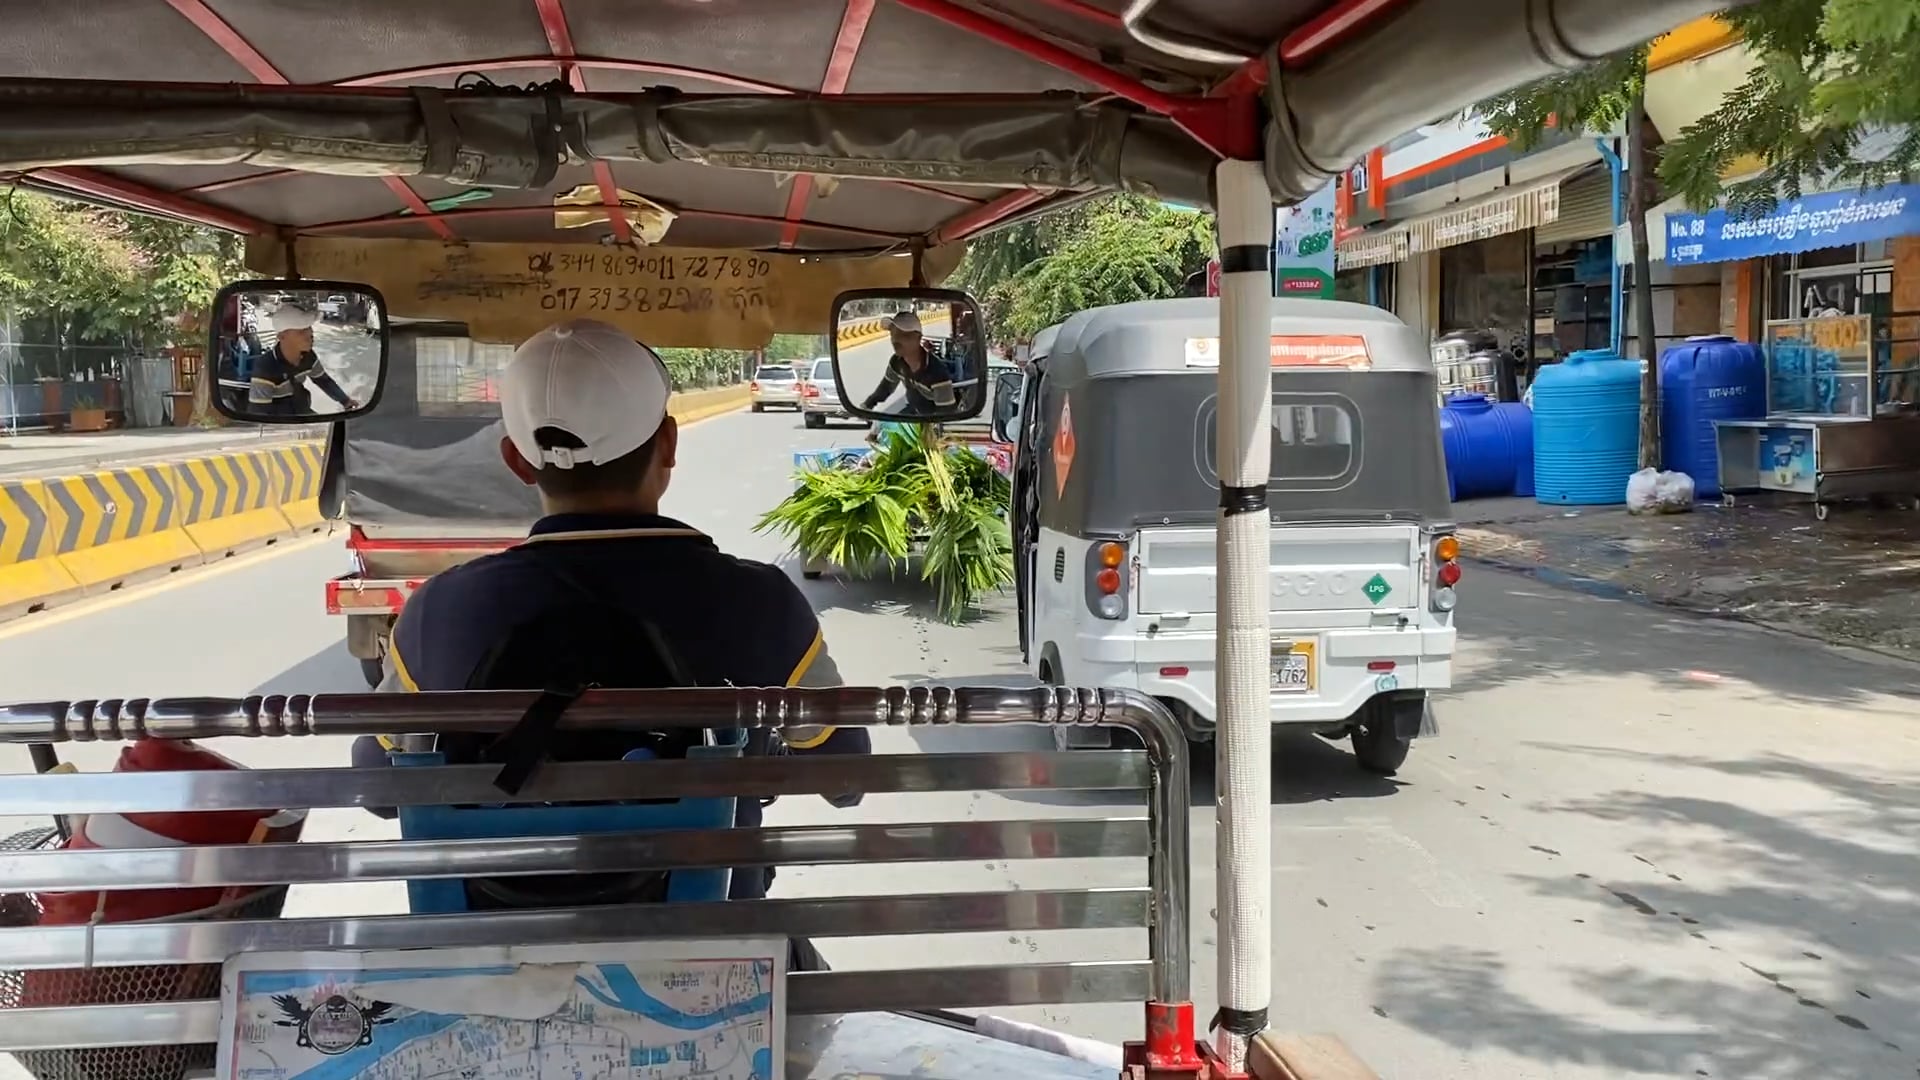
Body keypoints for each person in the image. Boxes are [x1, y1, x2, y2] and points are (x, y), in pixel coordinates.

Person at [355, 317, 868, 903]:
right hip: (713, 951)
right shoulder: (760, 602)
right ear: (669, 443)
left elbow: (378, 789)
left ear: (516, 462)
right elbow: (845, 775)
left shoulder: (436, 611)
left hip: (491, 954)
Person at [250, 304, 357, 416]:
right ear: (282, 337)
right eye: (301, 331)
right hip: (279, 422)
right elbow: (259, 411)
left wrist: (345, 401)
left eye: (309, 328)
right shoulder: (265, 366)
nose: (310, 334)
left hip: (302, 411)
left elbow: (323, 380)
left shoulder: (308, 357)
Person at [859, 311, 956, 416]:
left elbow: (946, 413)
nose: (895, 340)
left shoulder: (937, 372)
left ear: (918, 338)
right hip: (913, 411)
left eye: (903, 335)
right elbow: (885, 388)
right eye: (893, 334)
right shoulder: (896, 362)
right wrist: (867, 405)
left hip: (930, 420)